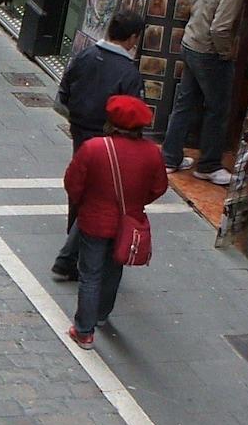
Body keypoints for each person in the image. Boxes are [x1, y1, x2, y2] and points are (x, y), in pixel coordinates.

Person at [64, 95, 169, 346]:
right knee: (114, 270)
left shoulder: (94, 148)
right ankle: (101, 315)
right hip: (128, 221)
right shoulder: (152, 154)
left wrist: (84, 203)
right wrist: (137, 202)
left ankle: (84, 330)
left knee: (90, 273)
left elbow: (73, 183)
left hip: (94, 221)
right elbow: (159, 187)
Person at [51, 9, 145, 281]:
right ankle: (71, 258)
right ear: (132, 38)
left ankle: (72, 254)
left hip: (81, 133)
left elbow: (64, 92)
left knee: (81, 191)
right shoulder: (128, 73)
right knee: (102, 198)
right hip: (109, 142)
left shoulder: (85, 55)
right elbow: (133, 116)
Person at [161, 0, 248, 185]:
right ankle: (208, 165)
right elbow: (220, 28)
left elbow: (197, 5)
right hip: (209, 52)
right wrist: (226, 53)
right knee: (218, 109)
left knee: (185, 103)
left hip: (191, 42)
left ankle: (170, 157)